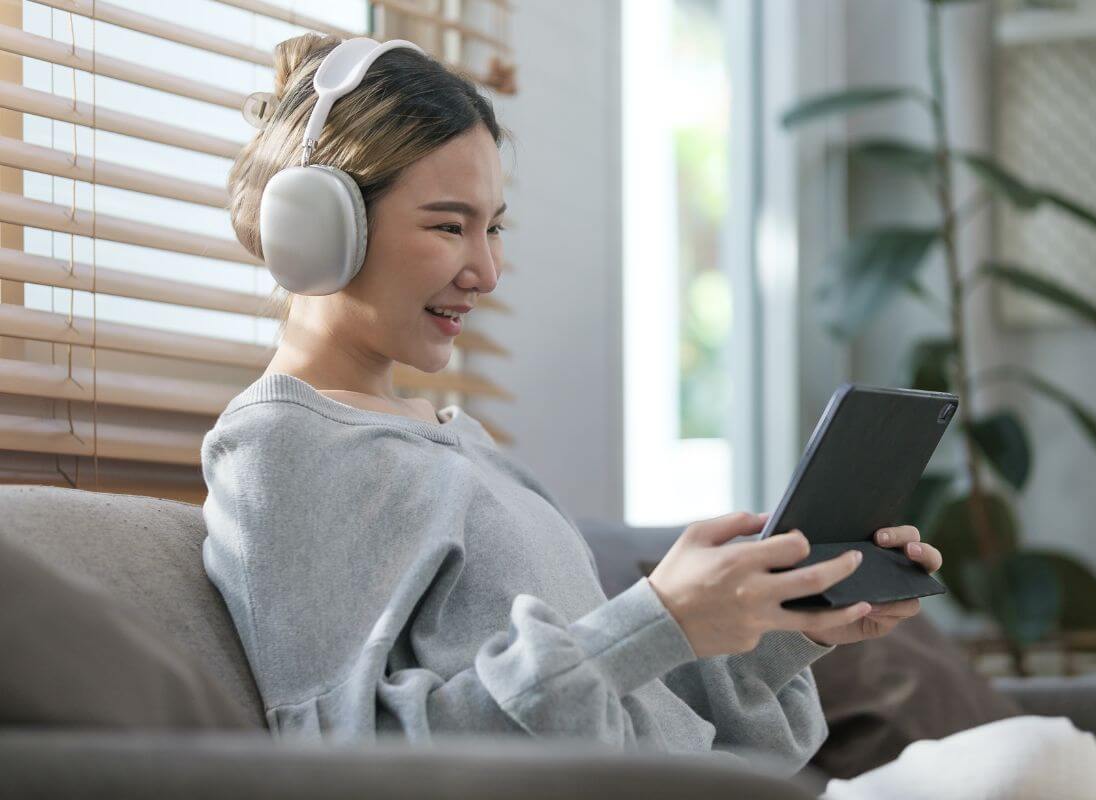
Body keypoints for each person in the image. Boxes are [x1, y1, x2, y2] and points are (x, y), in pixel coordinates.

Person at [201, 32, 944, 773]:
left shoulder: (456, 440)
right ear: (321, 224)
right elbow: (341, 759)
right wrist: (659, 618)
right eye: (449, 225)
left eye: (492, 229)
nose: (487, 272)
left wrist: (787, 625)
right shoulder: (283, 446)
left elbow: (619, 708)